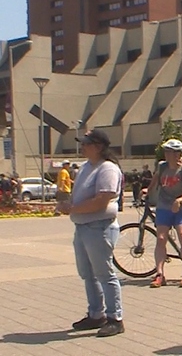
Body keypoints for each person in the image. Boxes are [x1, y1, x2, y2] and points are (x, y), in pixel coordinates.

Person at [60, 129, 124, 337]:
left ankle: (115, 318)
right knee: (88, 274)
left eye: (86, 143)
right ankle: (96, 314)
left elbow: (101, 201)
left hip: (99, 227)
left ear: (98, 147)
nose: (82, 147)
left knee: (105, 274)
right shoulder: (87, 167)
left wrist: (72, 209)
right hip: (83, 227)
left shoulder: (107, 169)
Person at [145, 139, 182, 288]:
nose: (167, 155)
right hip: (163, 206)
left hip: (180, 208)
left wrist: (180, 200)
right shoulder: (162, 167)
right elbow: (154, 182)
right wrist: (146, 191)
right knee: (161, 238)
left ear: (178, 154)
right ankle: (159, 273)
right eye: (166, 151)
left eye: (170, 152)